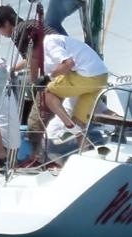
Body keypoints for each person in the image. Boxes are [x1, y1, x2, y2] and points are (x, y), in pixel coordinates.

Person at [39, 24, 109, 152]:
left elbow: (69, 63)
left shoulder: (49, 41)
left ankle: (69, 126)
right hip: (101, 77)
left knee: (48, 92)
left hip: (87, 76)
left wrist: (50, 76)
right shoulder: (66, 42)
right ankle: (85, 151)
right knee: (79, 122)